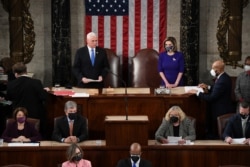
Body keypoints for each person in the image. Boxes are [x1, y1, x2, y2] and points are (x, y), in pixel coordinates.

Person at [188, 60, 234, 139]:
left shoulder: (222, 80)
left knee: (216, 132)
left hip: (220, 110)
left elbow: (211, 97)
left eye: (213, 69)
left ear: (218, 70)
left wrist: (197, 93)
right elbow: (217, 89)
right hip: (221, 107)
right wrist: (207, 87)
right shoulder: (224, 77)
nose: (211, 70)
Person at [6, 62, 48, 138]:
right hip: (35, 115)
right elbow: (44, 97)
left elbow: (9, 98)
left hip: (18, 115)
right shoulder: (36, 82)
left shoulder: (11, 84)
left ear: (15, 74)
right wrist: (44, 91)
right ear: (26, 71)